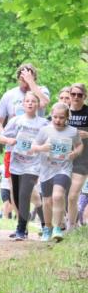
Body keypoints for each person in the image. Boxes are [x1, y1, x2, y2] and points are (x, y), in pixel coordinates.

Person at [0, 92, 49, 241]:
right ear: (23, 104)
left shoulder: (43, 123)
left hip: (33, 164)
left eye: (33, 101)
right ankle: (41, 224)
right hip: (16, 162)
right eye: (27, 101)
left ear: (38, 105)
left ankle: (20, 228)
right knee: (18, 196)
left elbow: (50, 142)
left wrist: (40, 147)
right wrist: (9, 140)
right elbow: (1, 137)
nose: (30, 103)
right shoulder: (15, 120)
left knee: (24, 193)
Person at [31, 102, 83, 241]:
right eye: (55, 117)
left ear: (67, 117)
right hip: (47, 170)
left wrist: (75, 154)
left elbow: (79, 146)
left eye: (61, 117)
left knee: (58, 196)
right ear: (51, 116)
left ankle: (57, 228)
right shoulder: (45, 130)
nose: (58, 120)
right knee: (47, 201)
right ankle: (47, 228)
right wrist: (43, 148)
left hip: (64, 169)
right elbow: (33, 147)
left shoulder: (72, 131)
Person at [65, 83, 88, 230]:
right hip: (64, 159)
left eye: (80, 95)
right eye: (73, 94)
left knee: (73, 195)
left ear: (85, 96)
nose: (76, 97)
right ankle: (62, 224)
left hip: (83, 159)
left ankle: (71, 226)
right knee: (61, 195)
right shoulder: (63, 111)